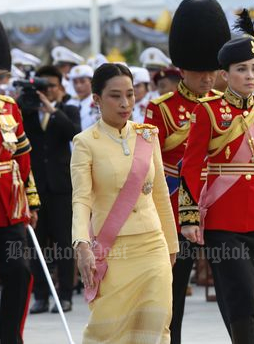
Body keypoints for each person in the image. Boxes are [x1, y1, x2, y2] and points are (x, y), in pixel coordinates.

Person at [179, 23, 254, 343]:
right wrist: (189, 217)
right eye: (241, 69)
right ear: (224, 75)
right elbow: (190, 166)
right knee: (241, 292)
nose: (250, 75)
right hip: (222, 220)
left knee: (250, 297)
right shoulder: (208, 111)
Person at [144, 0, 231, 344]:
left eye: (212, 70)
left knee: (230, 287)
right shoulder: (161, 108)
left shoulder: (227, 106)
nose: (208, 78)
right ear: (182, 68)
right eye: (199, 71)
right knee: (175, 288)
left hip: (221, 205)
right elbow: (150, 164)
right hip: (177, 209)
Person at [71, 63, 178, 343]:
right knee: (107, 330)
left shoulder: (147, 135)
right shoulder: (85, 142)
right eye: (115, 96)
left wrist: (172, 245)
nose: (125, 103)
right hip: (112, 249)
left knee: (155, 325)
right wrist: (82, 245)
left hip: (153, 245)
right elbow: (81, 200)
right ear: (97, 99)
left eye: (130, 95)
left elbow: (160, 195)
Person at [0, 12, 38, 344]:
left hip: (8, 208)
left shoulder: (8, 108)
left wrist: (31, 203)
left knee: (19, 274)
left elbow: (23, 160)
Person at [21, 66, 81, 314]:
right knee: (37, 244)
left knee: (64, 243)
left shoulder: (68, 110)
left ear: (61, 87)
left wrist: (52, 110)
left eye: (52, 87)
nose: (47, 92)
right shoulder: (27, 111)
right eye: (43, 88)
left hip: (61, 188)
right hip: (36, 186)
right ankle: (41, 296)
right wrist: (24, 100)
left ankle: (65, 295)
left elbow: (74, 135)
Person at [66, 64, 99, 131]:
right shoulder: (69, 103)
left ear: (91, 82)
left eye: (82, 81)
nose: (78, 86)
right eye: (75, 82)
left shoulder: (98, 102)